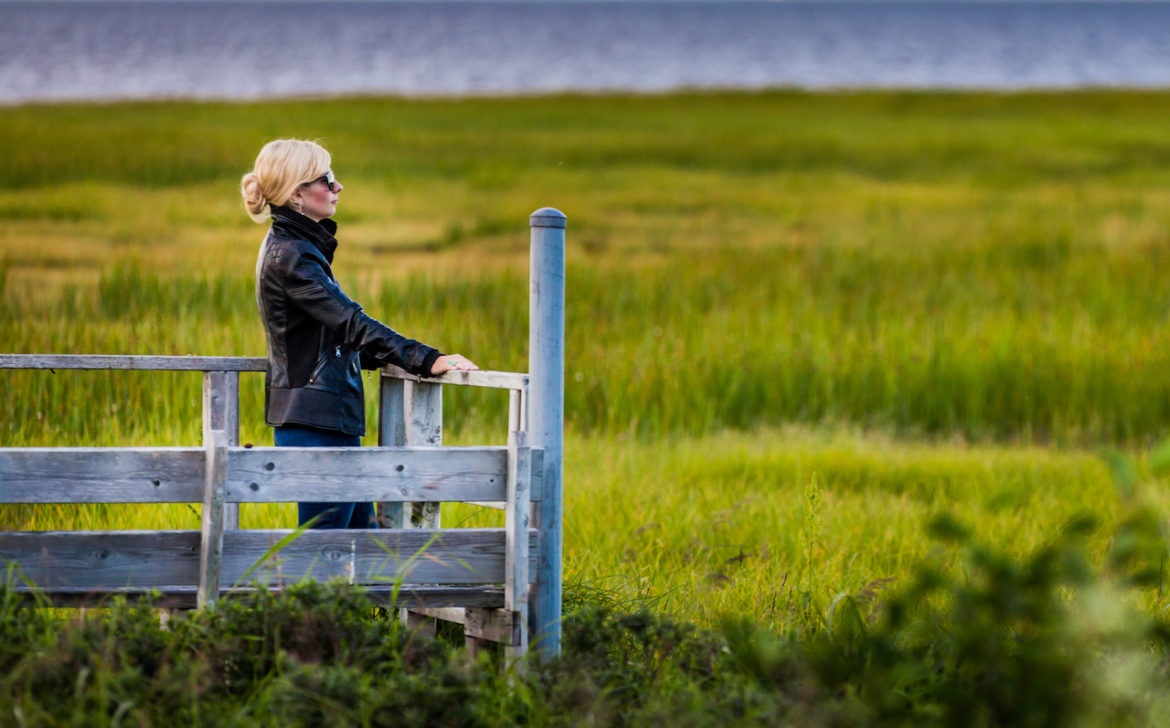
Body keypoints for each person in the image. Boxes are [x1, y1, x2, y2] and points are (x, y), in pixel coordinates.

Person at [241, 138, 477, 529]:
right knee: (325, 549)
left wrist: (384, 355)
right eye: (327, 178)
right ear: (298, 193)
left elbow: (331, 334)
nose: (338, 187)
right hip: (314, 421)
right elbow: (351, 323)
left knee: (360, 543)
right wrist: (427, 359)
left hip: (325, 416)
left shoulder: (296, 246)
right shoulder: (292, 254)